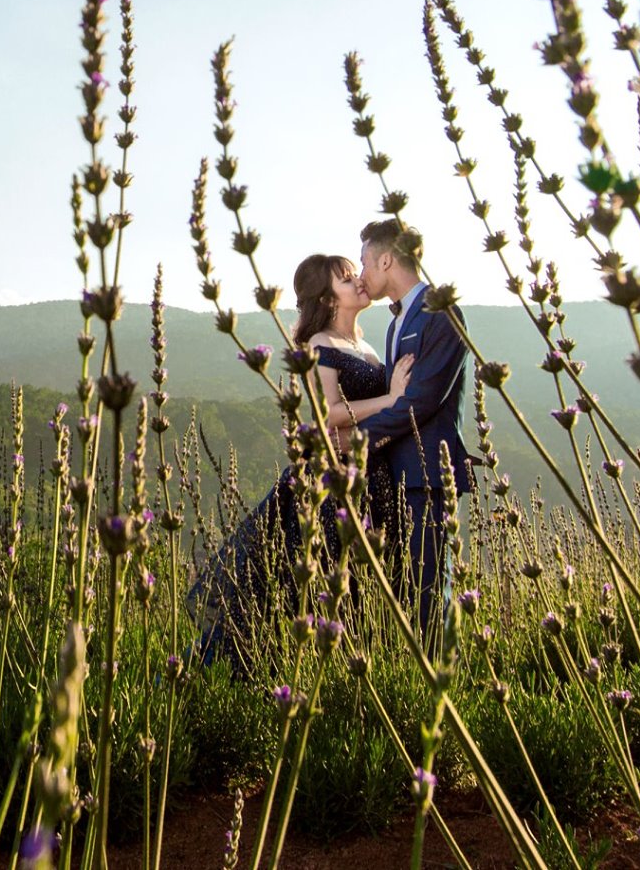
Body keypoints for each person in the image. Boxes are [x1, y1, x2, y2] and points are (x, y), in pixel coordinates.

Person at [187, 253, 412, 674]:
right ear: (327, 299)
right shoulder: (318, 346)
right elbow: (327, 413)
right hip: (329, 485)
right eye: (346, 278)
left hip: (370, 477)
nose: (359, 281)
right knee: (321, 585)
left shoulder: (364, 345)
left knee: (369, 589)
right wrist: (392, 398)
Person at [331, 219, 475, 653]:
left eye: (365, 263)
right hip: (392, 478)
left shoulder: (441, 312)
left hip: (428, 477)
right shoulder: (396, 326)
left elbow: (418, 402)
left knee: (431, 593)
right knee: (404, 594)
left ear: (387, 260)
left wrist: (355, 442)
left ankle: (440, 688)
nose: (362, 273)